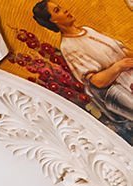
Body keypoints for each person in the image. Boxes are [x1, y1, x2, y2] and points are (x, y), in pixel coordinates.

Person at [33, 2, 133, 141]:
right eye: (57, 10)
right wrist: (118, 67)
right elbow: (97, 81)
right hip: (124, 87)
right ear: (53, 20)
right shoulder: (69, 47)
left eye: (61, 7)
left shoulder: (87, 30)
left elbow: (120, 50)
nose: (65, 10)